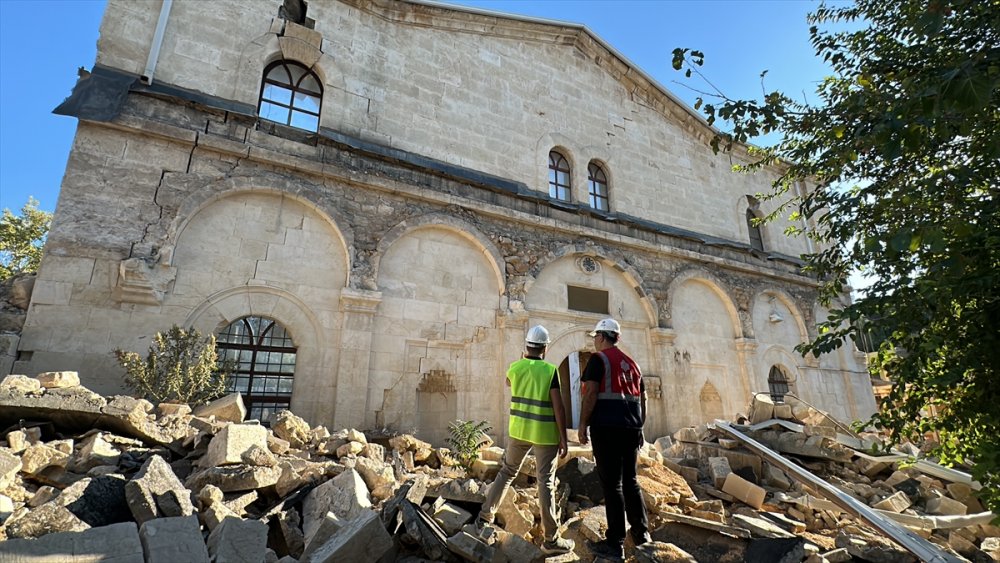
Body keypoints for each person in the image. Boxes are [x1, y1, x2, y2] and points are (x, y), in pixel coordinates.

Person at [477, 324, 575, 555]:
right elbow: (558, 407)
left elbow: (510, 382)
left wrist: (522, 361)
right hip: (544, 433)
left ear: (527, 347)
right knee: (545, 481)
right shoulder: (550, 371)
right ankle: (551, 539)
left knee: (507, 472)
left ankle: (484, 517)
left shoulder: (515, 367)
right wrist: (563, 437)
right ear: (545, 347)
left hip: (519, 430)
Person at [578, 318, 650, 560]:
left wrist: (582, 424)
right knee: (630, 481)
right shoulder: (633, 364)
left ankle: (615, 542)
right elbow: (643, 399)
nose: (594, 341)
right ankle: (642, 535)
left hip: (606, 427)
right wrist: (640, 427)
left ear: (601, 337)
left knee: (612, 485)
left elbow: (591, 395)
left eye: (595, 337)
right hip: (631, 428)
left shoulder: (599, 360)